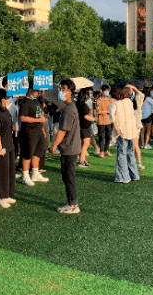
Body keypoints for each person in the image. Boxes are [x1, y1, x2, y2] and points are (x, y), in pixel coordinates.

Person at [49, 79, 82, 214]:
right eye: (60, 88)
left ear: (70, 92)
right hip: (70, 147)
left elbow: (62, 131)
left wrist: (54, 145)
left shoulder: (69, 109)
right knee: (67, 176)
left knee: (69, 177)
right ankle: (71, 202)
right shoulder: (68, 107)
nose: (61, 91)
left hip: (69, 148)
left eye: (63, 89)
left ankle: (73, 204)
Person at [0, 89, 17, 209]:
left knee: (9, 171)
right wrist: (0, 147)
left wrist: (13, 127)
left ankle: (7, 194)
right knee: (1, 171)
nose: (7, 100)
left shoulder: (5, 111)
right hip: (1, 146)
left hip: (9, 144)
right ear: (0, 99)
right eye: (5, 98)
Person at [18, 87, 49, 186]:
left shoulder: (36, 101)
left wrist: (42, 129)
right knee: (27, 154)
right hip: (29, 132)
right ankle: (25, 176)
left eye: (40, 91)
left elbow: (39, 115)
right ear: (30, 90)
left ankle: (35, 173)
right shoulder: (25, 102)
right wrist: (38, 121)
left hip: (38, 131)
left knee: (37, 153)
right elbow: (22, 117)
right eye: (37, 91)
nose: (38, 93)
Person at [110, 87, 140, 184]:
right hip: (131, 131)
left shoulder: (115, 104)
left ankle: (123, 177)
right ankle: (133, 175)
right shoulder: (129, 102)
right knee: (130, 153)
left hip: (122, 132)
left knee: (121, 154)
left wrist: (116, 128)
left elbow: (112, 117)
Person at [77, 89, 97, 167]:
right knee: (86, 144)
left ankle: (82, 159)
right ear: (85, 96)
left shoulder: (78, 104)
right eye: (88, 95)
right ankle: (81, 161)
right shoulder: (84, 105)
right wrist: (95, 119)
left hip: (81, 125)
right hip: (85, 126)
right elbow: (86, 116)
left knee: (82, 144)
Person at [96, 85, 114, 157]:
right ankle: (101, 151)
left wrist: (106, 111)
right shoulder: (99, 100)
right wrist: (107, 111)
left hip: (108, 121)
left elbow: (111, 110)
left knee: (108, 137)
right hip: (101, 121)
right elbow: (98, 111)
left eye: (107, 90)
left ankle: (106, 150)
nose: (107, 92)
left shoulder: (110, 100)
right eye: (105, 90)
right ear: (102, 91)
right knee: (101, 137)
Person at [141, 83, 153, 150]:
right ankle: (146, 144)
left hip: (142, 116)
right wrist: (152, 96)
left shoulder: (142, 98)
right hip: (148, 115)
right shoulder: (148, 98)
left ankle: (142, 144)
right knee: (148, 131)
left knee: (142, 131)